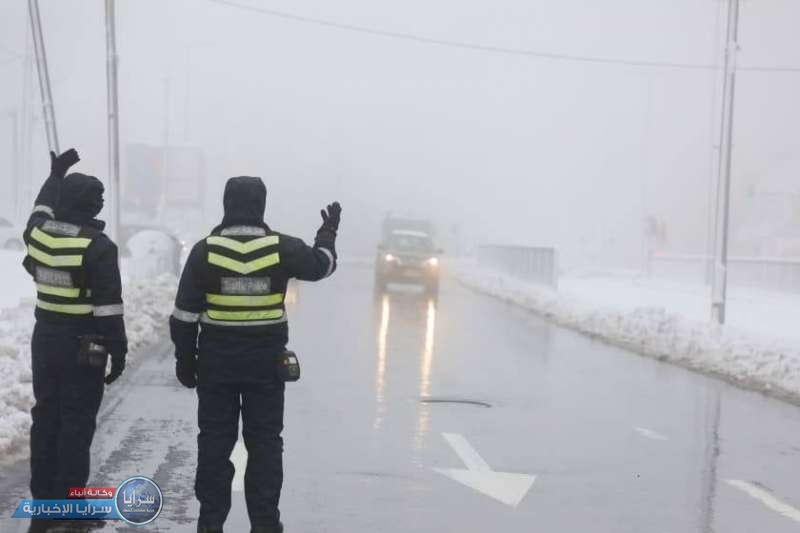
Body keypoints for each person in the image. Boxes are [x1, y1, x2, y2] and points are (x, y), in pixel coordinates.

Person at [170, 176, 341, 533]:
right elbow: (321, 266)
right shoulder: (281, 248)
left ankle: (210, 524)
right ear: (261, 205)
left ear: (226, 204)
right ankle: (265, 524)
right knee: (264, 445)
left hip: (216, 368)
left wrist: (186, 362)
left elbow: (184, 315)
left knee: (215, 444)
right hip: (265, 369)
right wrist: (327, 234)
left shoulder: (205, 251)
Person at [23, 149, 127, 532]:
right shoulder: (98, 247)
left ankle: (42, 509)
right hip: (86, 346)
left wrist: (54, 176)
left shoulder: (37, 238)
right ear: (92, 206)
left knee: (45, 420)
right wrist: (120, 351)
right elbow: (109, 309)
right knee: (76, 426)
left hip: (45, 339)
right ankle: (68, 511)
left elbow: (40, 210)